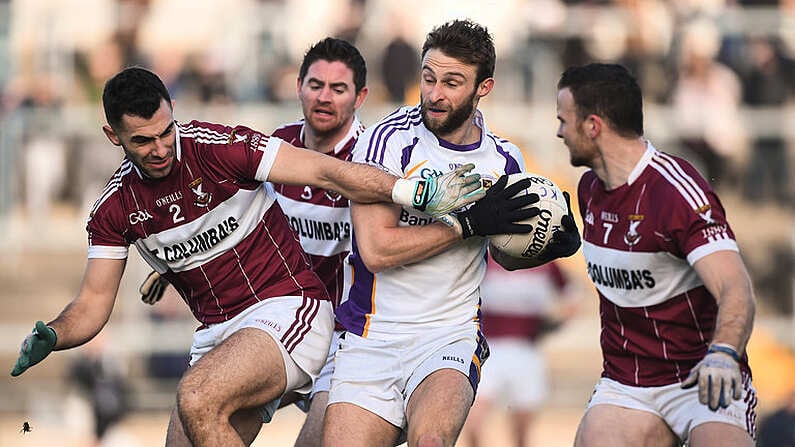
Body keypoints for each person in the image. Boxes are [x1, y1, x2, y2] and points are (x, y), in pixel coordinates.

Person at [9, 66, 488, 447]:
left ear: (172, 111)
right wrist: (55, 333)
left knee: (196, 396)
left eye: (164, 132)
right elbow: (92, 304)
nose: (159, 149)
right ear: (114, 137)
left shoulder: (220, 147)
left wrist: (409, 191)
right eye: (142, 141)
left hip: (288, 310)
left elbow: (327, 171)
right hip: (218, 336)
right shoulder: (113, 210)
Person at [322, 19, 581, 447]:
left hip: (448, 334)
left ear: (484, 87)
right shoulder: (387, 140)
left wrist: (546, 243)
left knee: (432, 441)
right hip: (372, 335)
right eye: (428, 78)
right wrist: (465, 225)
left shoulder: (505, 159)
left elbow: (505, 257)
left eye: (452, 82)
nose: (434, 94)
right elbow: (376, 250)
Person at [556, 63, 757, 447]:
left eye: (564, 120)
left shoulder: (676, 193)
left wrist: (724, 353)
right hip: (627, 383)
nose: (559, 131)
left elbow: (736, 288)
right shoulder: (588, 190)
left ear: (593, 126)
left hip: (701, 376)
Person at [463, 258, 577, 447]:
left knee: (521, 432)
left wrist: (552, 325)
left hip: (527, 351)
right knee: (474, 421)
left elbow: (571, 296)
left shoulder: (545, 261)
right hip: (488, 350)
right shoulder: (484, 256)